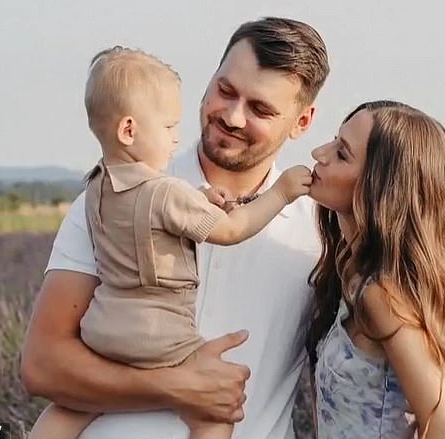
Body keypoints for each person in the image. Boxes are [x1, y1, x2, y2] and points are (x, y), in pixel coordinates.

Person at [20, 17, 330, 439]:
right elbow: (42, 365)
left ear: (303, 122)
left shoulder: (321, 231)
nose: (234, 117)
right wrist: (175, 387)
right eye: (225, 91)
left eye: (260, 109)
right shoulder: (114, 194)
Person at [305, 100, 445, 438]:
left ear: (380, 188)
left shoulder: (381, 295)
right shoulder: (351, 273)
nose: (320, 152)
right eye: (335, 140)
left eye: (342, 153)